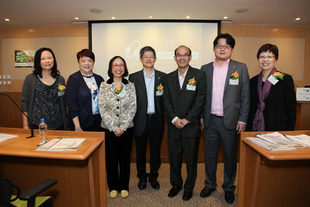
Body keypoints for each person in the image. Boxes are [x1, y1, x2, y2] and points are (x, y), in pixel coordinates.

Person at [200, 33, 250, 204]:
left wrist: (243, 119)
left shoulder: (240, 68)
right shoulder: (205, 68)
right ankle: (210, 184)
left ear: (232, 49)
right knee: (210, 155)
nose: (222, 48)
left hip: (231, 120)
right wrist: (201, 117)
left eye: (226, 46)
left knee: (230, 157)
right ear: (214, 48)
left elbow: (245, 96)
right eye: (219, 45)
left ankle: (229, 187)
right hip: (210, 120)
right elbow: (201, 96)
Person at [163, 45, 206, 201]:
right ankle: (176, 185)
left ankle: (189, 188)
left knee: (191, 161)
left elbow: (200, 100)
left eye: (185, 55)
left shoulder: (200, 75)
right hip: (174, 126)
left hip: (191, 126)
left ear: (190, 57)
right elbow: (166, 101)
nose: (182, 57)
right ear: (175, 58)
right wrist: (174, 119)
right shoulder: (168, 78)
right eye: (179, 55)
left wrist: (187, 119)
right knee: (174, 159)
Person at [98, 56, 136, 199]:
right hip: (108, 128)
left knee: (125, 159)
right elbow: (102, 108)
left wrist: (123, 127)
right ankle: (113, 186)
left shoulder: (130, 85)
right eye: (115, 65)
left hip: (126, 128)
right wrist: (114, 127)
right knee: (111, 159)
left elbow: (133, 108)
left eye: (121, 65)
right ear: (111, 68)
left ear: (124, 68)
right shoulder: (104, 85)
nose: (118, 68)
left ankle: (124, 186)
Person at [129, 46, 166, 190]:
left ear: (155, 59)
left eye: (151, 56)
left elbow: (166, 100)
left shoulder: (163, 77)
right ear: (141, 59)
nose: (149, 59)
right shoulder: (133, 77)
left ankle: (154, 176)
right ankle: (142, 177)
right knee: (140, 151)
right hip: (140, 120)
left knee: (155, 151)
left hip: (157, 120)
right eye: (146, 56)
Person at [247, 43, 296, 131]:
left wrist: (290, 130)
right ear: (258, 59)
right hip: (255, 126)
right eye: (262, 56)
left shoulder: (285, 79)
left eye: (269, 56)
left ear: (276, 59)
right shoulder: (253, 81)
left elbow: (291, 108)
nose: (265, 60)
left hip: (278, 127)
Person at [21, 47, 67, 130]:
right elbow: (25, 103)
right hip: (37, 125)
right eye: (43, 59)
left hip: (58, 124)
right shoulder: (30, 79)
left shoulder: (60, 79)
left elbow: (63, 101)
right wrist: (25, 125)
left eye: (49, 58)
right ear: (38, 61)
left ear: (54, 60)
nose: (47, 61)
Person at [66, 49, 104, 131]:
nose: (86, 64)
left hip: (98, 122)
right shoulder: (73, 79)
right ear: (78, 62)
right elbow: (72, 106)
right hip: (81, 124)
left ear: (93, 62)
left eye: (89, 61)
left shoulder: (99, 79)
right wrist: (77, 126)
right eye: (83, 61)